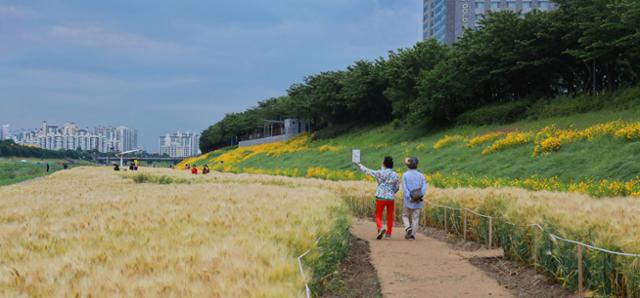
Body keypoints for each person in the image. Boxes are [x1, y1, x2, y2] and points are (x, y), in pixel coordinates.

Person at [355, 156, 400, 240]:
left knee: (378, 215)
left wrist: (360, 165)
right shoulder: (395, 175)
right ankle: (388, 234)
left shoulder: (380, 173)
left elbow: (369, 172)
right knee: (390, 216)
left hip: (380, 197)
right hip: (391, 198)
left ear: (384, 164)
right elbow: (397, 187)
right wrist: (391, 192)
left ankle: (380, 227)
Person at [401, 157, 427, 241]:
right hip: (418, 200)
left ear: (409, 165)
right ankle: (412, 235)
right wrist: (419, 196)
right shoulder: (421, 175)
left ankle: (408, 228)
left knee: (405, 215)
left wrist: (409, 196)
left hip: (408, 200)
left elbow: (404, 188)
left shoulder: (405, 175)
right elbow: (423, 188)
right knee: (415, 218)